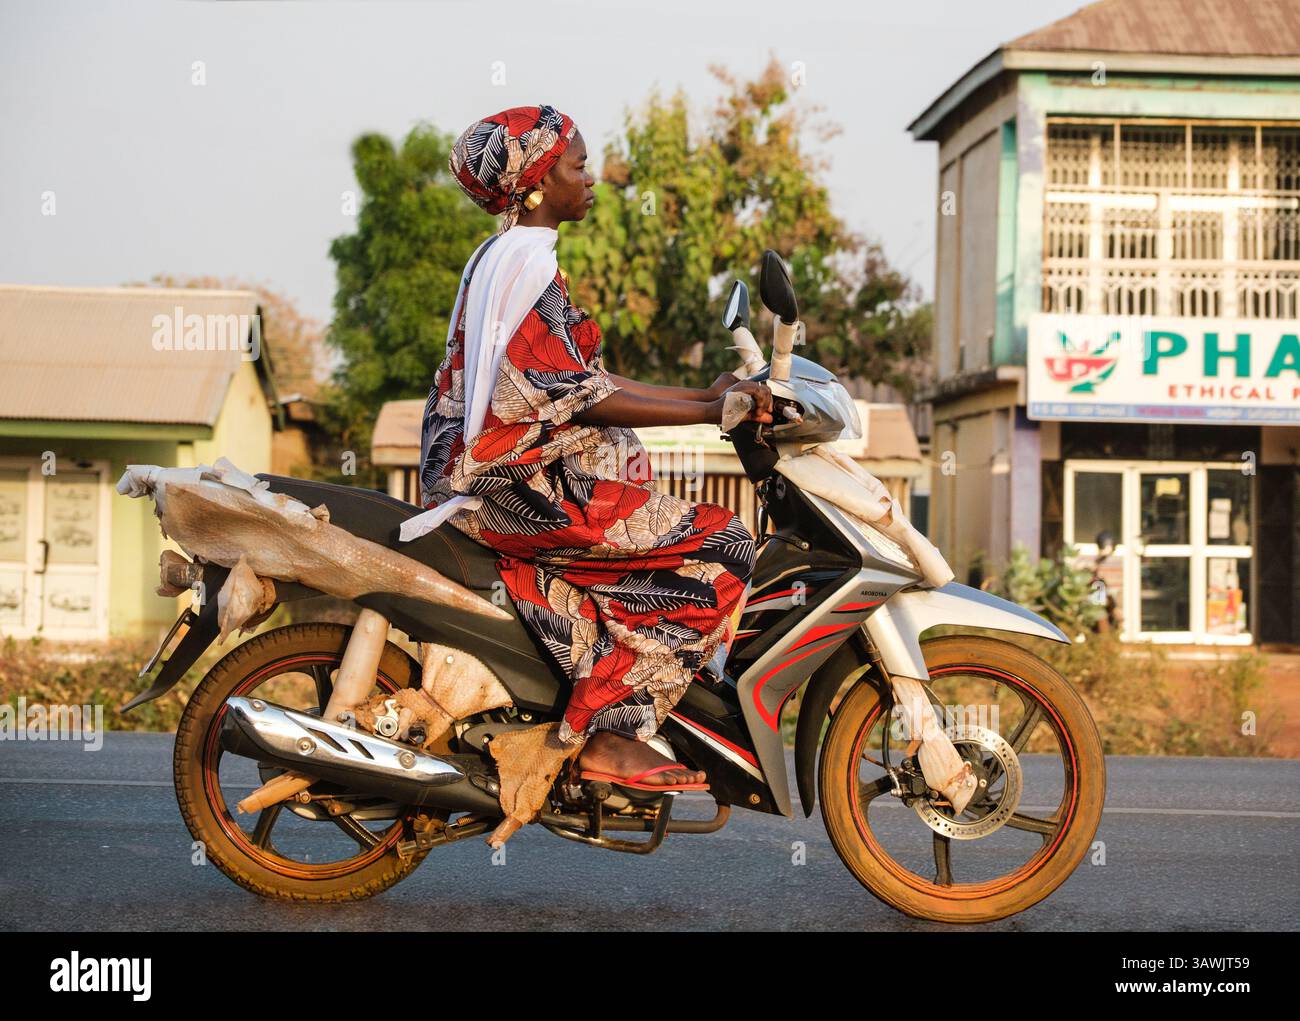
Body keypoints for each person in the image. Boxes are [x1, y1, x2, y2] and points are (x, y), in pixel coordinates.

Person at [402, 105, 771, 790]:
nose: (591, 176)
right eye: (577, 165)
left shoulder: (508, 257)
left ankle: (595, 680)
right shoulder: (529, 269)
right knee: (725, 544)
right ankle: (611, 734)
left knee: (665, 532)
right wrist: (710, 406)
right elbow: (582, 397)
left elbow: (582, 381)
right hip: (516, 489)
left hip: (496, 477)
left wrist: (705, 401)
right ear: (539, 183)